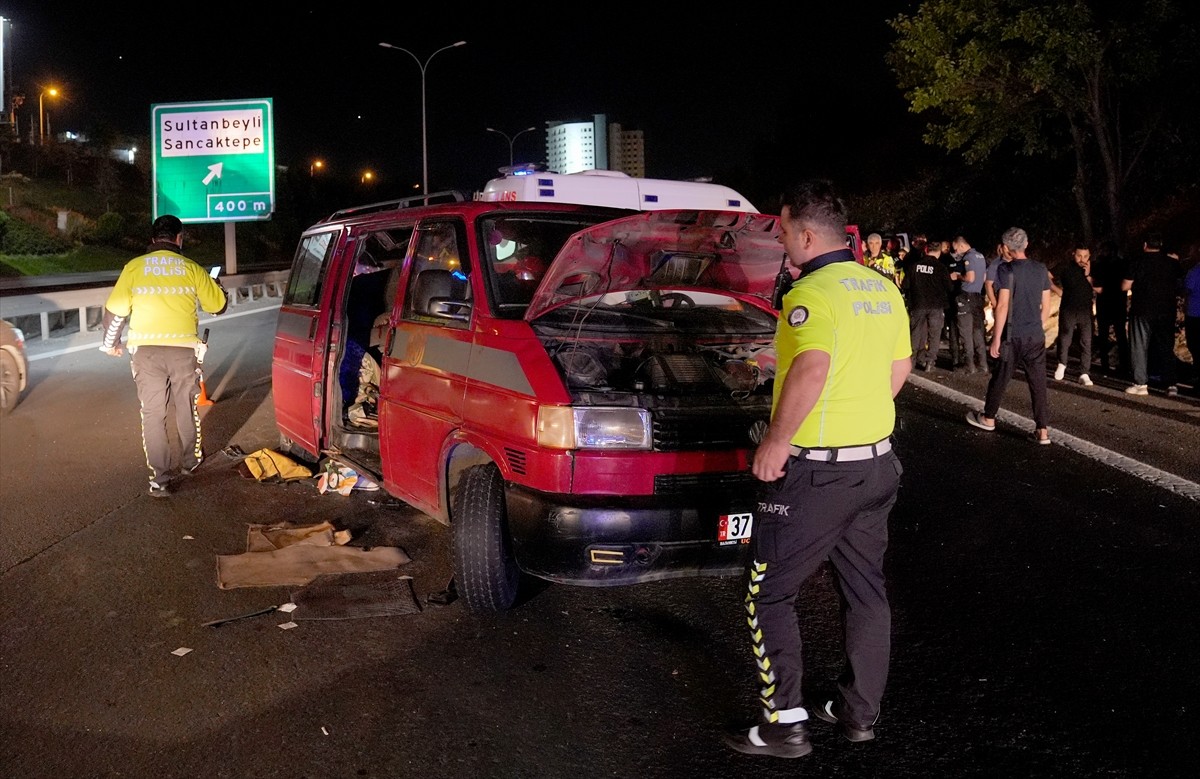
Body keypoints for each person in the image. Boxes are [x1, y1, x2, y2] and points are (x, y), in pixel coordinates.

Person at [724, 180, 910, 760]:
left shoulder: (812, 293)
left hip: (819, 476)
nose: (781, 241)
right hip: (877, 467)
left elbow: (811, 367)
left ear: (806, 234)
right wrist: (855, 414)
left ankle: (784, 725)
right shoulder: (880, 288)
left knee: (768, 594)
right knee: (866, 593)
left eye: (782, 230)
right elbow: (898, 366)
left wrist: (777, 441)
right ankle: (858, 716)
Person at [100, 215, 228, 497]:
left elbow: (115, 312)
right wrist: (215, 286)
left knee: (152, 414)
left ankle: (159, 480)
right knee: (186, 406)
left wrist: (111, 343)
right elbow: (217, 306)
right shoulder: (192, 268)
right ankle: (191, 462)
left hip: (145, 353)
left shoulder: (134, 268)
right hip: (183, 351)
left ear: (153, 238)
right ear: (179, 238)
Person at [966, 227, 1052, 444]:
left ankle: (988, 418)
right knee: (1038, 383)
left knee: (1001, 378)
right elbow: (1047, 307)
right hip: (1035, 336)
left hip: (1012, 335)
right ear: (1027, 243)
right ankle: (1042, 430)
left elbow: (1002, 305)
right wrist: (1036, 326)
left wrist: (996, 338)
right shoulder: (1041, 269)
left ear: (1005, 248)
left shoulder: (1006, 270)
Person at [1122, 233, 1183, 396]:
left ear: (1145, 245)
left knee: (1139, 346)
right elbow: (1179, 284)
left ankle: (1140, 383)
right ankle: (1171, 383)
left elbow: (1125, 285)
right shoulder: (1171, 263)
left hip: (1142, 309)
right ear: (1161, 245)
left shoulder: (1137, 261)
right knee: (1166, 346)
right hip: (1166, 310)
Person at [903, 237, 953, 371]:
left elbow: (905, 285)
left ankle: (912, 360)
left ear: (926, 250)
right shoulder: (941, 267)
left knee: (916, 332)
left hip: (918, 303)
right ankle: (930, 362)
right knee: (934, 334)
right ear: (939, 252)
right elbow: (950, 287)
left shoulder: (914, 266)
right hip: (936, 305)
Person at [1050, 244, 1098, 386]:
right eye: (1079, 256)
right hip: (1068, 309)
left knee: (1086, 342)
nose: (1082, 259)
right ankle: (1062, 364)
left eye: (1085, 256)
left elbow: (1099, 287)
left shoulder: (1093, 268)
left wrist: (1088, 274)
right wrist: (1056, 289)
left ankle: (1084, 372)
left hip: (1085, 310)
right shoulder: (1065, 267)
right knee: (1065, 338)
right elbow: (1046, 275)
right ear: (1073, 254)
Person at [1092, 240, 1130, 376]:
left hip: (1104, 303)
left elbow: (1097, 284)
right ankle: (1125, 365)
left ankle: (1104, 365)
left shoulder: (1099, 264)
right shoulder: (1122, 264)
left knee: (1103, 335)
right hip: (1119, 303)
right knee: (1121, 335)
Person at [951, 235, 987, 373]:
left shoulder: (968, 258)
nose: (956, 252)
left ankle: (969, 365)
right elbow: (983, 277)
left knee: (966, 332)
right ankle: (983, 364)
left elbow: (970, 278)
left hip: (966, 297)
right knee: (977, 331)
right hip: (978, 296)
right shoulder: (980, 256)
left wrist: (958, 276)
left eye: (956, 249)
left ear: (961, 245)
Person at [1185, 257, 1200, 393]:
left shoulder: (1194, 272)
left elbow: (1187, 289)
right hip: (1194, 313)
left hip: (1195, 314)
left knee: (1195, 346)